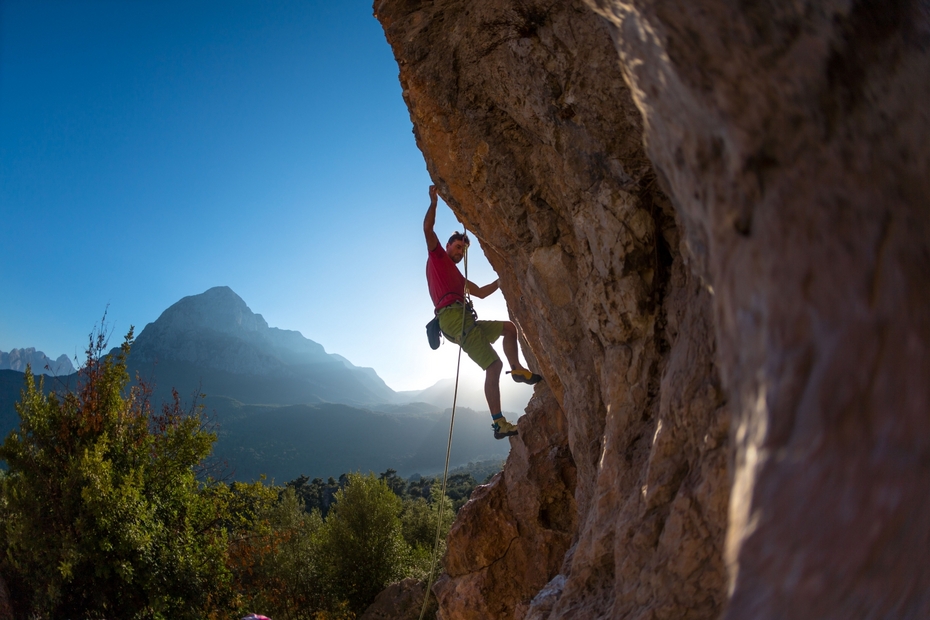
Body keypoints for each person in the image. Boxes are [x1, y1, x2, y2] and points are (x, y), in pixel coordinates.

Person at [424, 184, 542, 440]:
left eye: (463, 249)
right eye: (457, 247)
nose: (460, 251)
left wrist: (503, 278)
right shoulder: (437, 258)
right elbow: (427, 230)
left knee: (509, 328)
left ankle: (518, 369)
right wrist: (434, 203)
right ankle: (498, 423)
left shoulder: (457, 275)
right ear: (448, 245)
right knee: (493, 365)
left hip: (465, 319)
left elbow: (480, 292)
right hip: (453, 319)